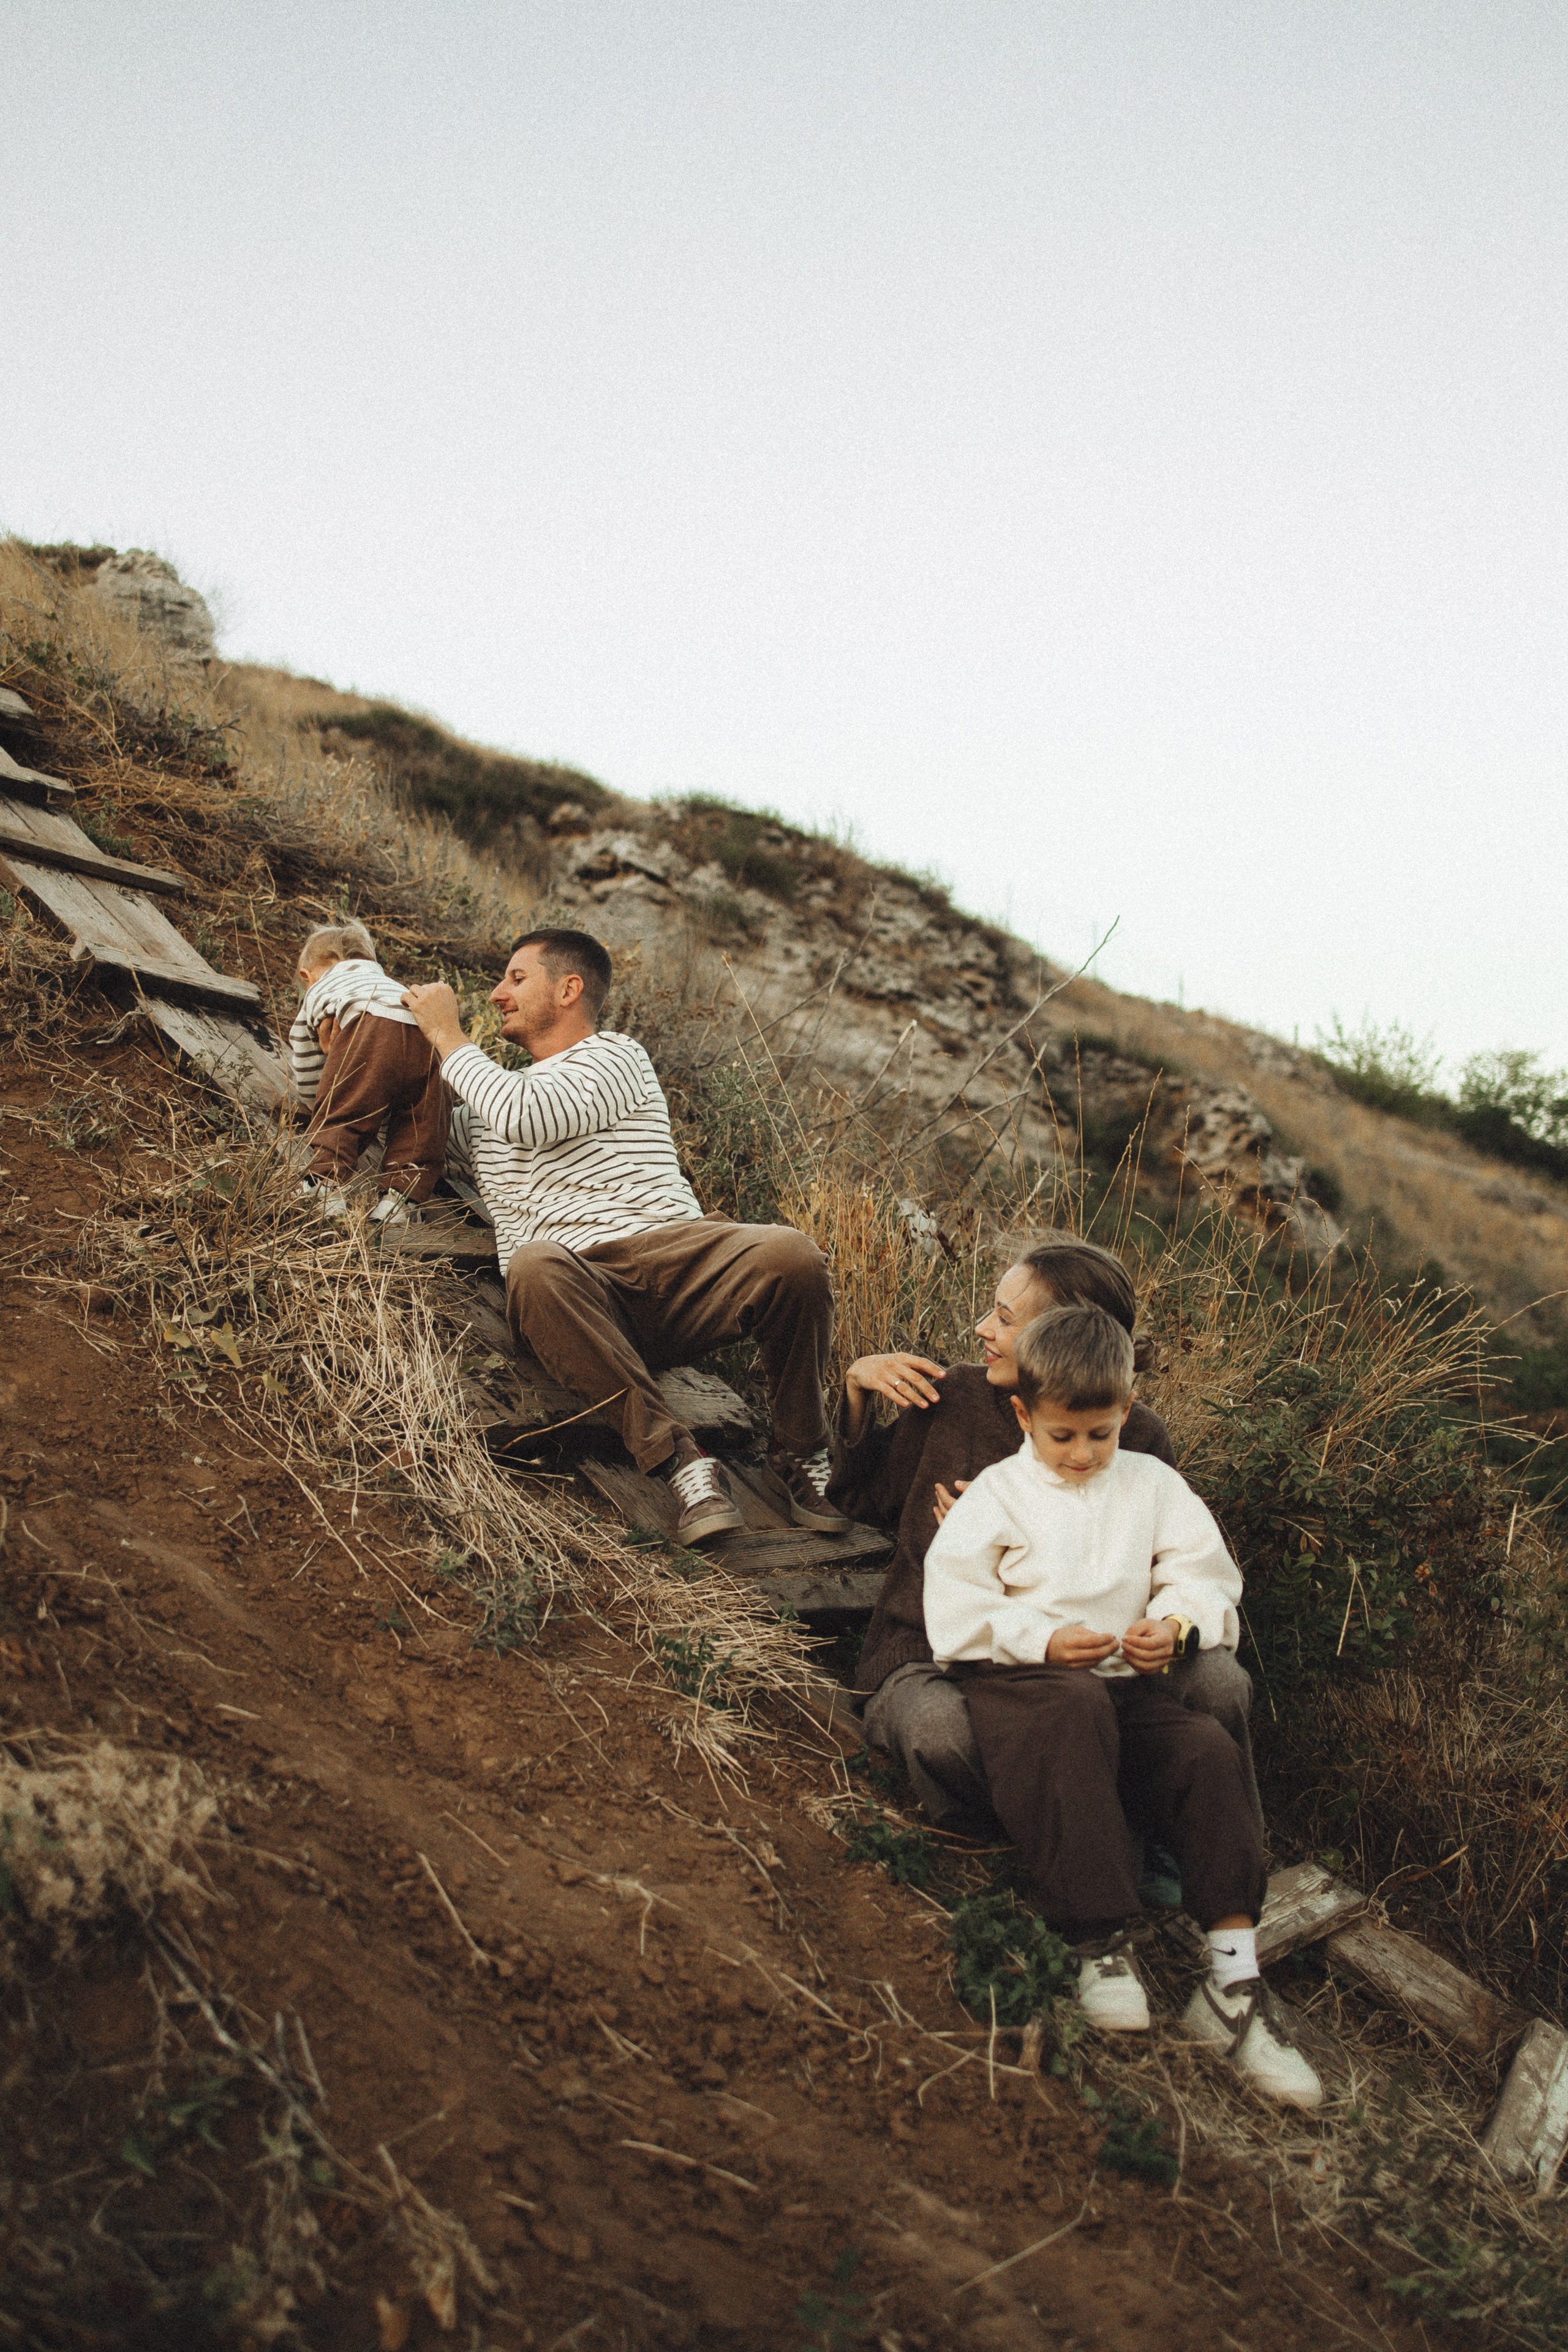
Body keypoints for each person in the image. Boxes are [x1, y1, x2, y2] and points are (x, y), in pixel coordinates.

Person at [924, 1301, 1319, 2105]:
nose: (1080, 1454)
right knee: (1070, 1708)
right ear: (1023, 1414)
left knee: (1205, 1749)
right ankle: (1098, 1942)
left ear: (1125, 1414)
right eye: (1061, 1435)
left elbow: (1206, 1576)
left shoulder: (1153, 1486)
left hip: (1124, 1688)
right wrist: (1040, 1639)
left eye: (1099, 1435)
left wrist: (1175, 1627)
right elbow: (953, 1609)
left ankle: (1232, 1986)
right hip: (1022, 1686)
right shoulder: (995, 1496)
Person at [402, 929, 846, 1548]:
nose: (498, 993)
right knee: (533, 1265)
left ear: (569, 988)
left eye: (516, 978)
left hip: (674, 1262)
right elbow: (413, 1131)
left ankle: (802, 1451)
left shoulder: (612, 1057)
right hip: (579, 1294)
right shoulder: (484, 1105)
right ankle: (680, 1462)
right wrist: (387, 1037)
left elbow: (528, 1114)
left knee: (790, 1254)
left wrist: (449, 1035)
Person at [829, 1234, 1259, 1840]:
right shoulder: (954, 1398)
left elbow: (1185, 1569)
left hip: (1099, 1661)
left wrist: (1163, 1626)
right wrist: (855, 1387)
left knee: (1220, 1683)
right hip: (937, 1653)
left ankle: (1197, 1843)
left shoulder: (1135, 1434)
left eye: (1004, 1319)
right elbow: (857, 1495)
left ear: (1062, 1339)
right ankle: (1037, 1842)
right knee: (939, 1735)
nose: (982, 1329)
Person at [288, 920, 450, 1226]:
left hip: (373, 1025)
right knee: (421, 1126)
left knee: (346, 1110)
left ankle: (323, 1186)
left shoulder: (320, 989)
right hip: (430, 1033)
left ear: (307, 976)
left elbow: (306, 1058)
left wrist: (317, 1103)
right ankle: (402, 1202)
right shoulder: (391, 984)